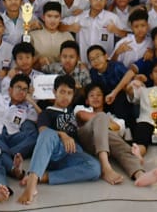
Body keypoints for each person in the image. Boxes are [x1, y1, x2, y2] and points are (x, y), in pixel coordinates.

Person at [16, 75, 102, 204]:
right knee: (48, 134)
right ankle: (31, 184)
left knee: (95, 168)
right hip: (54, 150)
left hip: (72, 153)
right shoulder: (46, 113)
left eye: (69, 93)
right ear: (54, 92)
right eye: (62, 92)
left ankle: (44, 177)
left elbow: (83, 92)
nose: (65, 96)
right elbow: (43, 131)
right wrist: (63, 135)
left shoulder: (72, 111)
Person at [75, 83, 157, 186]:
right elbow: (83, 116)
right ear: (87, 100)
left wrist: (104, 123)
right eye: (92, 95)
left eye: (99, 95)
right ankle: (106, 167)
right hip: (86, 140)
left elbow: (118, 128)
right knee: (101, 118)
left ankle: (139, 174)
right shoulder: (80, 108)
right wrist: (105, 120)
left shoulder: (115, 118)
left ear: (104, 99)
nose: (95, 97)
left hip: (106, 142)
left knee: (114, 139)